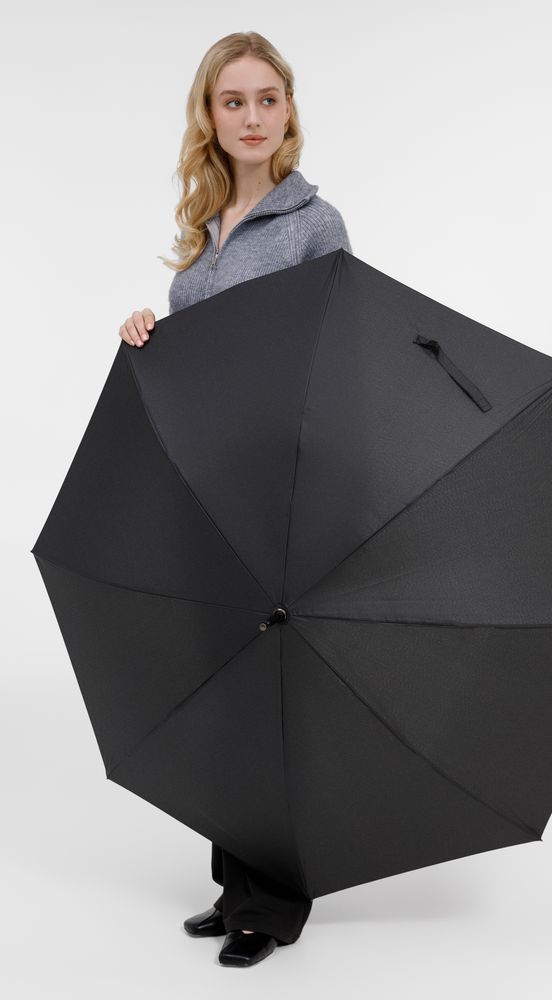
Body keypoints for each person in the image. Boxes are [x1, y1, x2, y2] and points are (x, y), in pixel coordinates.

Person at [117, 31, 352, 968]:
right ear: (208, 116)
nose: (251, 117)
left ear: (287, 111)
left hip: (277, 486)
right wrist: (149, 328)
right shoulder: (204, 234)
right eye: (232, 101)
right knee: (223, 686)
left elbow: (337, 353)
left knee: (272, 695)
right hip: (204, 487)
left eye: (266, 99)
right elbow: (199, 365)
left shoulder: (314, 225)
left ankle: (275, 903)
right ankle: (235, 887)